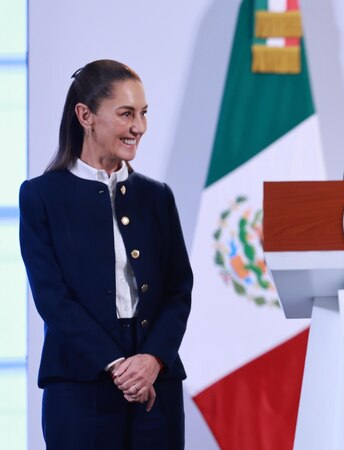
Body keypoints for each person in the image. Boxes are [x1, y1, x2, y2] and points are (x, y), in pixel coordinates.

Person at [19, 59, 193, 449]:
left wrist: (152, 361)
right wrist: (117, 366)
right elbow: (52, 298)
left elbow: (179, 289)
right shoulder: (41, 197)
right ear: (85, 115)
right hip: (80, 386)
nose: (139, 127)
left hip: (156, 383)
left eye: (144, 114)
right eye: (126, 114)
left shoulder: (157, 196)